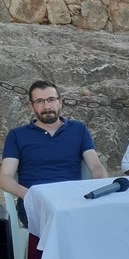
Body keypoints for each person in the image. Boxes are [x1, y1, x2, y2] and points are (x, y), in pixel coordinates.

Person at [0, 80, 108, 227]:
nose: (47, 106)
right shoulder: (17, 135)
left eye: (51, 99)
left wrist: (102, 189)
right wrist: (30, 195)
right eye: (39, 101)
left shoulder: (78, 129)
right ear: (31, 106)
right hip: (37, 205)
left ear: (60, 102)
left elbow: (96, 166)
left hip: (74, 200)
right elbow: (4, 177)